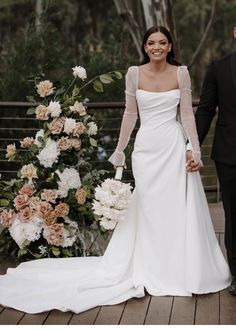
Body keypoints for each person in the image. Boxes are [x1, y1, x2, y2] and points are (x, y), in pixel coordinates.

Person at [0, 26, 231, 314]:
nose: (156, 47)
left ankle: (178, 269)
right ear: (145, 47)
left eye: (162, 42)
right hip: (146, 149)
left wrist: (194, 149)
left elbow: (186, 113)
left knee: (174, 208)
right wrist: (120, 149)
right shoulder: (134, 73)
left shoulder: (181, 72)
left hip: (173, 148)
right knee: (148, 208)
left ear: (170, 46)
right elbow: (130, 113)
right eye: (151, 43)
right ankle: (149, 266)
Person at [195, 26, 236, 295]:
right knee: (233, 216)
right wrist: (192, 147)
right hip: (229, 153)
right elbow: (206, 109)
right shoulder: (218, 68)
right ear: (234, 31)